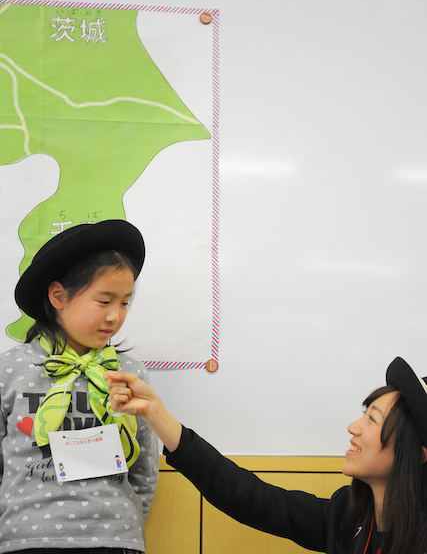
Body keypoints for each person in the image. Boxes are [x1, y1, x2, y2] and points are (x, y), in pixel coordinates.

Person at [105, 357, 427, 554]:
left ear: (417, 454)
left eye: (372, 419)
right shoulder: (346, 515)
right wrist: (155, 412)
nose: (353, 427)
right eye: (363, 413)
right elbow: (249, 497)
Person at [0, 219, 159, 554]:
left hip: (115, 538)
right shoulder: (10, 370)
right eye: (104, 301)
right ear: (59, 296)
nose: (115, 316)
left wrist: (125, 524)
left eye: (124, 302)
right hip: (26, 537)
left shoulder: (129, 374)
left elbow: (144, 468)